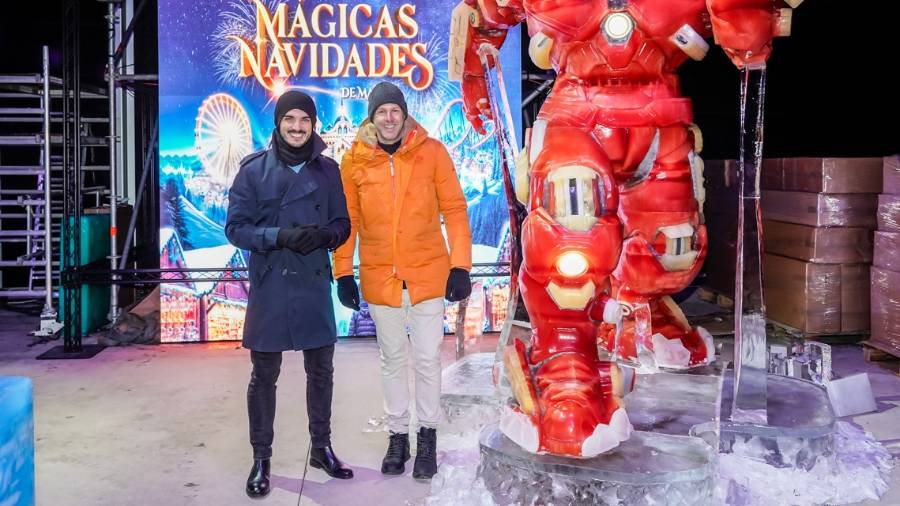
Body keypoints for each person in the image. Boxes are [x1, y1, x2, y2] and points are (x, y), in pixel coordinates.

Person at [334, 82, 473, 480]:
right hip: (381, 278)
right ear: (371, 117)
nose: (389, 118)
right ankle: (398, 436)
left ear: (404, 114)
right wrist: (343, 272)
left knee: (428, 359)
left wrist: (460, 266)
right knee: (393, 360)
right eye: (381, 112)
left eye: (395, 110)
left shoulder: (432, 153)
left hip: (429, 274)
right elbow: (349, 222)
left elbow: (455, 209)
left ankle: (427, 435)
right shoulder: (355, 161)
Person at [225, 90, 354, 499]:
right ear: (279, 124)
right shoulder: (253, 171)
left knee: (322, 372)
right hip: (271, 283)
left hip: (313, 280)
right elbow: (236, 228)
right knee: (264, 376)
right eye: (290, 120)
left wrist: (325, 235)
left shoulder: (329, 171)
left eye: (304, 120)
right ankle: (261, 458)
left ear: (313, 125)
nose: (297, 128)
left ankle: (322, 448)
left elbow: (342, 224)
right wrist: (277, 236)